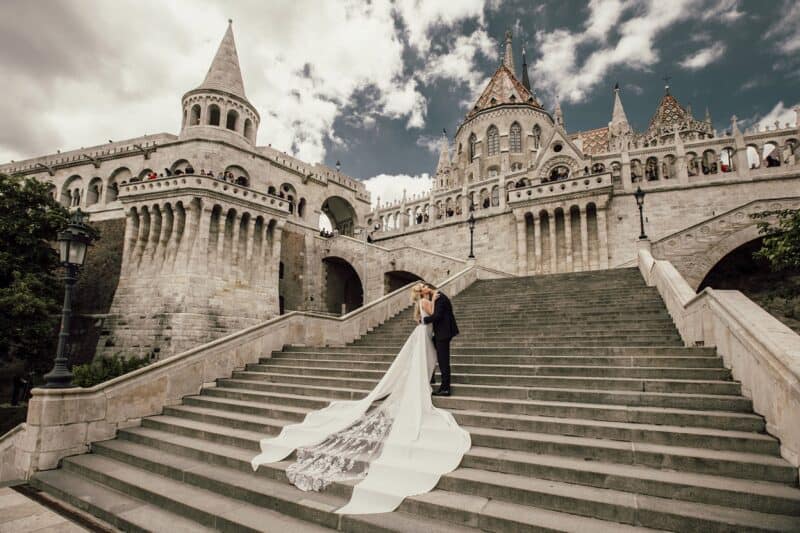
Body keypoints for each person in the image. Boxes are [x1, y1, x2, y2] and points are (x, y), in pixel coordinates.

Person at [251, 282, 470, 515]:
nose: (425, 287)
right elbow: (432, 317)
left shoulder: (434, 299)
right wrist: (427, 316)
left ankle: (435, 383)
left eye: (425, 286)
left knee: (428, 362)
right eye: (422, 287)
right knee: (432, 361)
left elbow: (429, 317)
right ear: (422, 292)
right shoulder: (430, 300)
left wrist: (425, 318)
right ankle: (440, 385)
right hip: (431, 333)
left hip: (432, 334)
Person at [421, 283, 459, 396]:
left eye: (423, 288)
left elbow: (437, 316)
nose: (422, 290)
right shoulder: (436, 297)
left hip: (444, 333)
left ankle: (445, 388)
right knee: (433, 351)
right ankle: (432, 377)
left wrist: (423, 320)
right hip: (440, 333)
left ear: (428, 288)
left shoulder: (439, 297)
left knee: (443, 361)